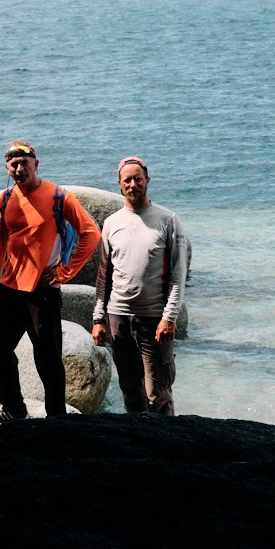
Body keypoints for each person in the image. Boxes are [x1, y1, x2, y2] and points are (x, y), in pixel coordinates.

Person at [0, 141, 99, 420]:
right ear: (7, 167)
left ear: (36, 164)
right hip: (9, 290)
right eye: (13, 164)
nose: (19, 169)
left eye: (25, 163)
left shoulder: (58, 196)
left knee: (47, 360)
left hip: (42, 292)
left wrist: (63, 273)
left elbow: (91, 233)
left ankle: (55, 419)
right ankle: (13, 409)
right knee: (0, 353)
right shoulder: (6, 198)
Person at [91, 157, 187, 415]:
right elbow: (104, 276)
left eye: (138, 179)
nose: (133, 184)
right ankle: (137, 449)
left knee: (159, 395)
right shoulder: (112, 223)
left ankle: (166, 450)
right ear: (119, 185)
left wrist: (169, 317)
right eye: (127, 180)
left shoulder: (168, 220)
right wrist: (98, 318)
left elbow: (179, 275)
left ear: (147, 181)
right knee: (130, 391)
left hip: (154, 320)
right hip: (119, 319)